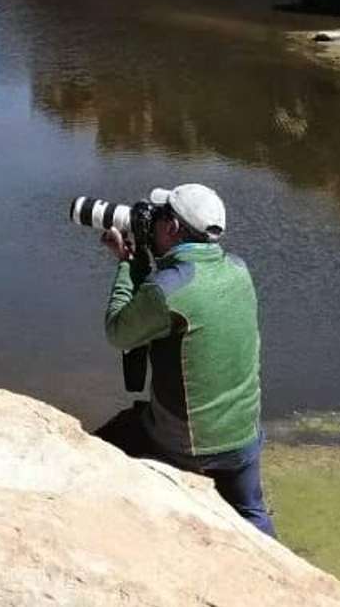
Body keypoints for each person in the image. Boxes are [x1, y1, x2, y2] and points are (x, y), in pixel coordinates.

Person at [94, 183, 274, 538]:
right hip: (244, 437)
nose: (154, 220)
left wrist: (126, 267)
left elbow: (118, 332)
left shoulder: (168, 290)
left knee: (103, 446)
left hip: (190, 445)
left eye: (160, 216)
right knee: (252, 512)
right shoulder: (239, 269)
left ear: (173, 228)